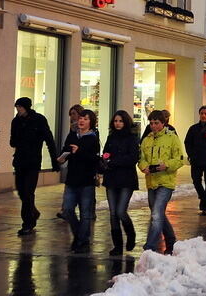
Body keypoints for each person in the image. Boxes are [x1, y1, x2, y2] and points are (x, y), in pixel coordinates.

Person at [10, 96, 59, 236]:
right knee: (21, 191)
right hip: (20, 161)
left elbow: (49, 140)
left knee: (28, 192)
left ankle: (27, 223)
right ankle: (33, 212)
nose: (18, 109)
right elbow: (12, 141)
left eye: (20, 107)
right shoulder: (16, 121)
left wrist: (54, 161)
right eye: (17, 107)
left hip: (33, 161)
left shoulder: (39, 120)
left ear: (26, 107)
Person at [139, 109, 184, 254]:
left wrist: (167, 165)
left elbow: (179, 158)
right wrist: (143, 166)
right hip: (151, 181)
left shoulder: (172, 138)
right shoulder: (146, 139)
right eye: (151, 123)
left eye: (156, 123)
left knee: (157, 214)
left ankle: (150, 247)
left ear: (163, 123)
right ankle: (171, 241)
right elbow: (141, 157)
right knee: (158, 214)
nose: (153, 126)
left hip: (166, 182)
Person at [57, 108, 100, 253]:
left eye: (86, 119)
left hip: (86, 180)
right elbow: (66, 149)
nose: (82, 121)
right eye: (81, 118)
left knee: (85, 213)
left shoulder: (93, 138)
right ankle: (79, 236)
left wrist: (79, 152)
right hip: (72, 179)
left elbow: (94, 159)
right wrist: (62, 157)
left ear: (91, 122)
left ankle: (82, 241)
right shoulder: (72, 135)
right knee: (68, 210)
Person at [102, 110, 140, 255]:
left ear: (126, 122)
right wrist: (104, 161)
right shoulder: (111, 137)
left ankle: (131, 234)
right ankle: (117, 245)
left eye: (120, 121)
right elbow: (105, 153)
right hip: (111, 178)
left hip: (126, 179)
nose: (118, 124)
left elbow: (132, 158)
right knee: (113, 213)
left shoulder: (132, 138)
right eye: (116, 121)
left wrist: (113, 161)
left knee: (120, 211)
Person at [184, 105, 206, 215]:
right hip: (196, 160)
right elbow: (187, 142)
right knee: (196, 181)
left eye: (205, 114)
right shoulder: (193, 128)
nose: (203, 115)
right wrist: (191, 154)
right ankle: (203, 198)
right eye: (202, 113)